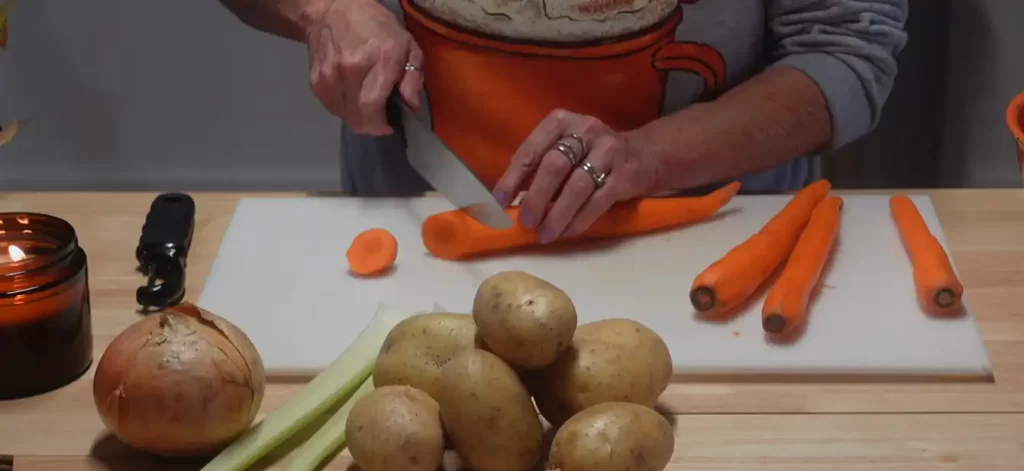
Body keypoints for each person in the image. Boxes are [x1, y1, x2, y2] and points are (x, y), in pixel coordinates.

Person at [218, 0, 908, 242]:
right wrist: (321, 10)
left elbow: (846, 47)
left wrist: (651, 155)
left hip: (715, 244)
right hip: (417, 232)